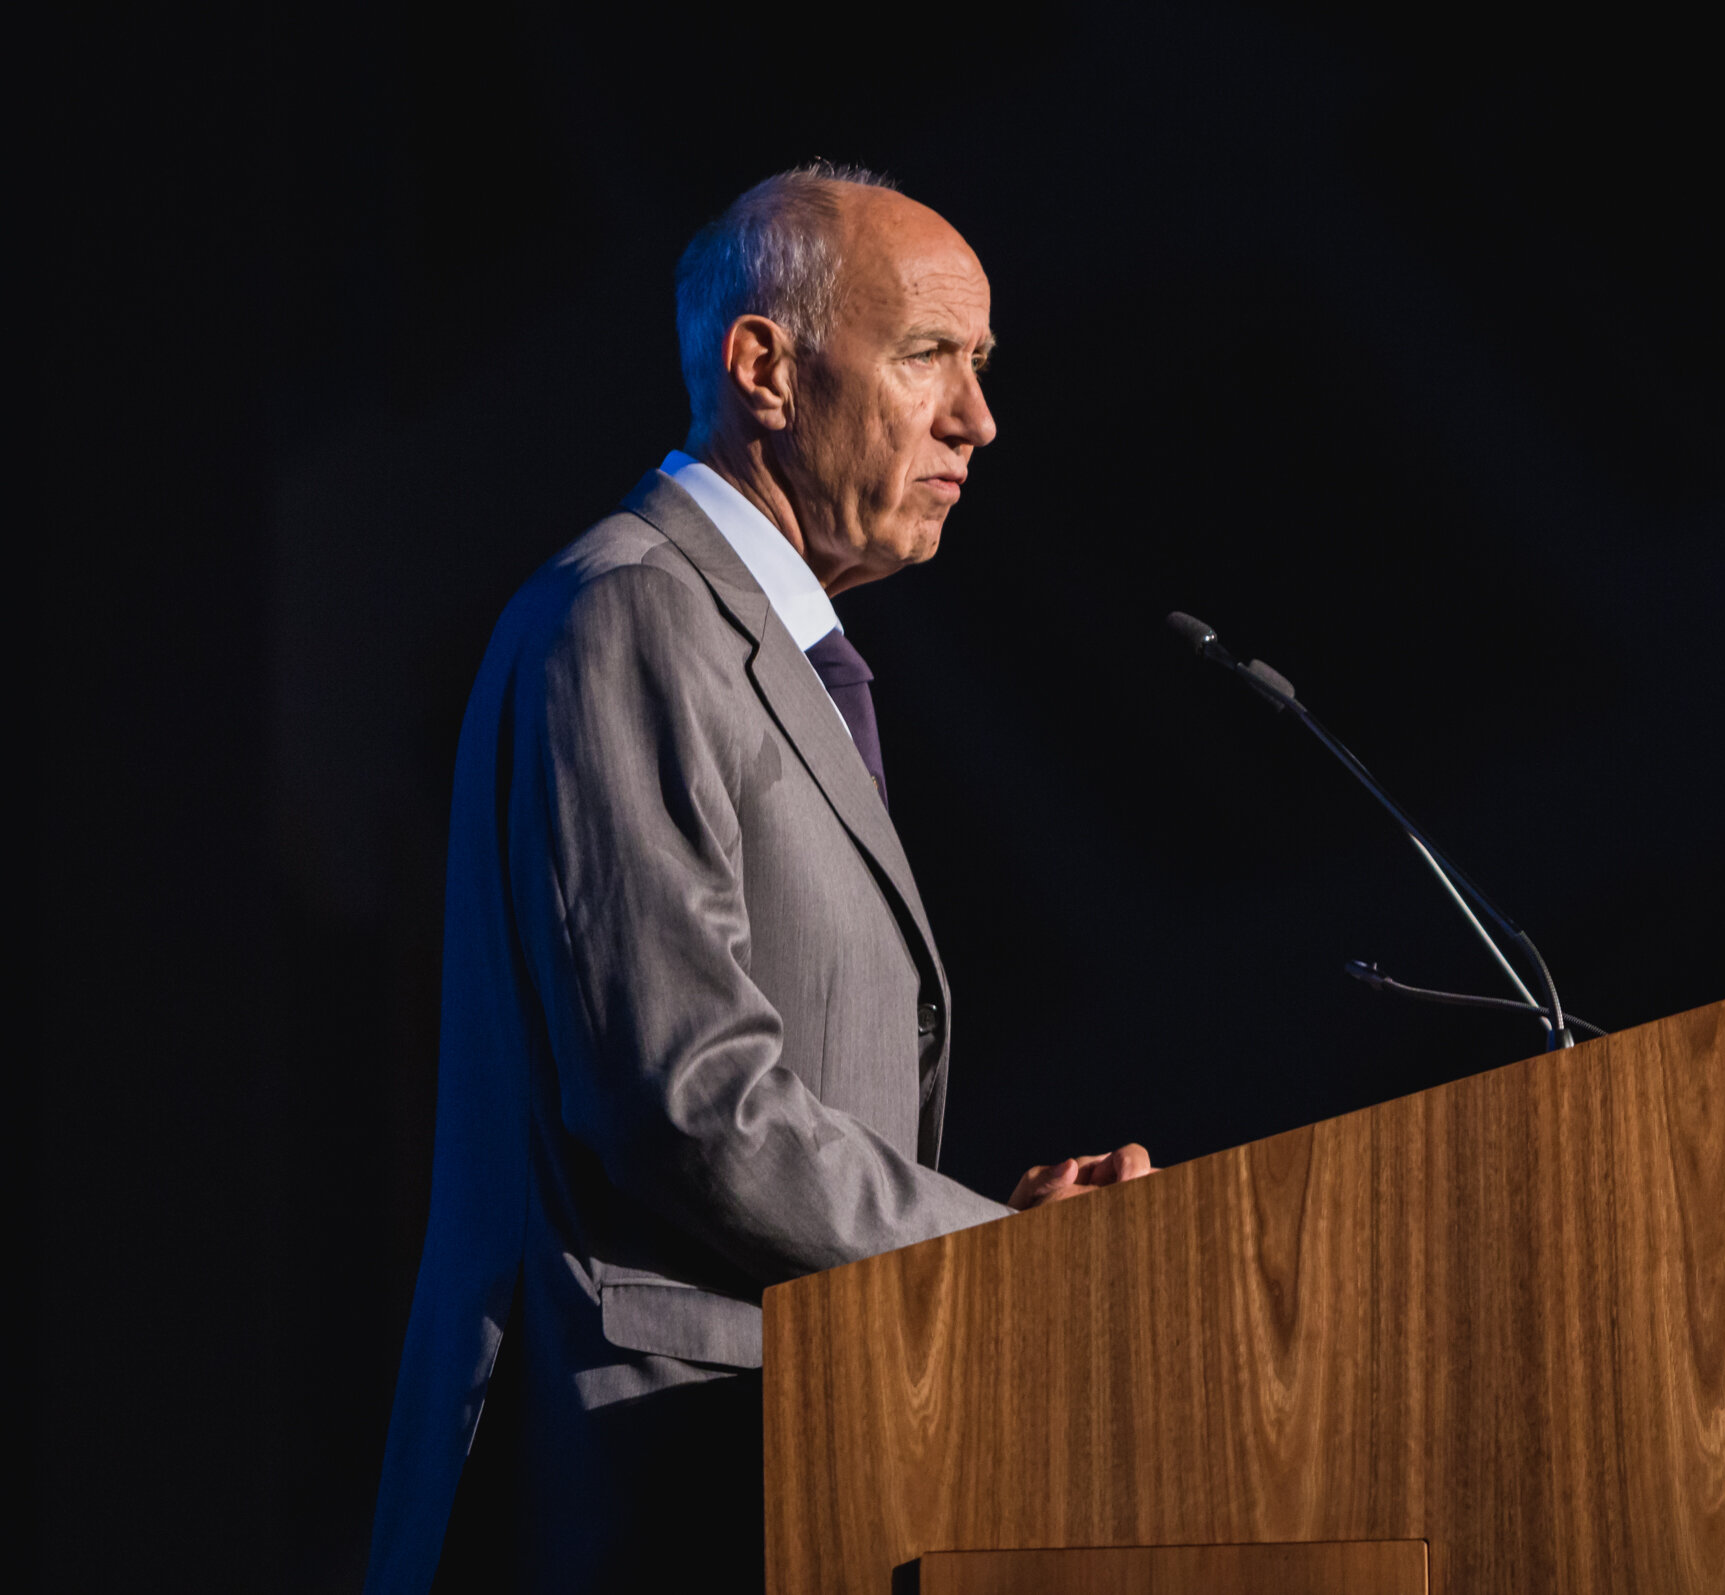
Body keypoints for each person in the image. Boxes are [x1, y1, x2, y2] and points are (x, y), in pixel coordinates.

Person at [363, 163, 1150, 1595]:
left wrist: (993, 1239)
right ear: (764, 369)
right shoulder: (630, 615)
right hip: (644, 1486)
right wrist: (1006, 1264)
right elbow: (687, 1102)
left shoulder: (761, 651)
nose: (978, 418)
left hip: (784, 1459)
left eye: (981, 364)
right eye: (930, 354)